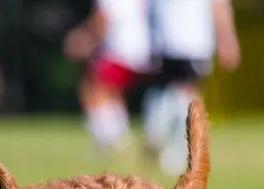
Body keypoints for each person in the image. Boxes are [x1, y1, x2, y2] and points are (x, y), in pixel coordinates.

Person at [142, 0, 241, 174]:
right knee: (186, 93)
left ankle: (158, 131)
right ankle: (170, 146)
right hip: (187, 41)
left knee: (174, 90)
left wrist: (226, 38)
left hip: (174, 39)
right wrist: (227, 38)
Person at [63, 0, 152, 158]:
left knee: (91, 90)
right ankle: (118, 137)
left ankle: (109, 141)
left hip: (118, 50)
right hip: (141, 49)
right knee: (111, 93)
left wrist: (85, 39)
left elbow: (102, 20)